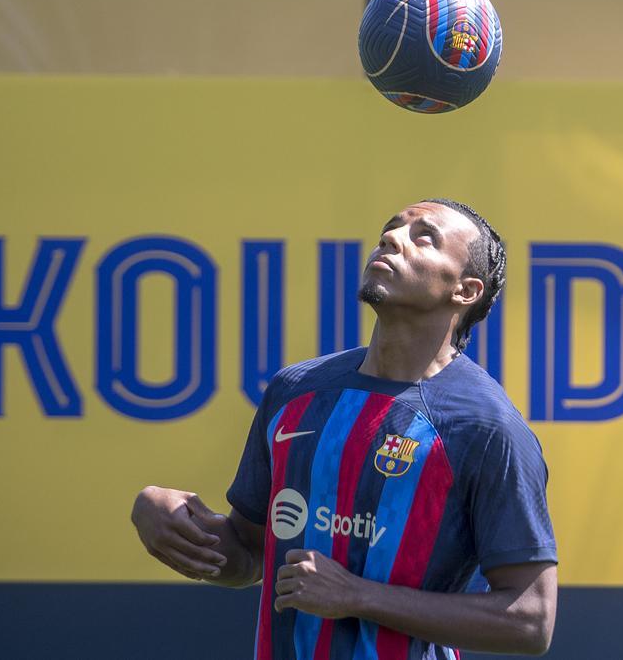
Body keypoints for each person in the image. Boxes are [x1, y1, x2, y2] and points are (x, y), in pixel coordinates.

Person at [131, 199, 557, 658]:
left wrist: (358, 597)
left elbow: (530, 621)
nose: (392, 239)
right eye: (390, 230)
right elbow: (248, 557)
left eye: (424, 237)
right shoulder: (294, 390)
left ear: (466, 290)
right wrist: (173, 525)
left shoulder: (487, 427)